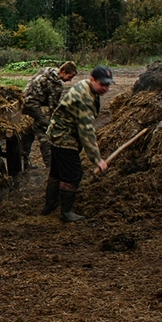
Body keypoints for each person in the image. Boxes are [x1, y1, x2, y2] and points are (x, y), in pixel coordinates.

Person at [43, 65, 114, 222]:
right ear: (92, 79)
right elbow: (86, 132)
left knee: (57, 171)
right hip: (64, 136)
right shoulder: (85, 99)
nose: (105, 88)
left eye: (108, 85)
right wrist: (97, 159)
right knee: (73, 174)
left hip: (57, 132)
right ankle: (66, 213)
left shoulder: (87, 87)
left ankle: (50, 205)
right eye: (102, 84)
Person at [21, 61, 77, 169]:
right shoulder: (56, 85)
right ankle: (51, 166)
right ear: (63, 72)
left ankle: (24, 164)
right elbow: (54, 108)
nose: (70, 80)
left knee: (27, 134)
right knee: (45, 134)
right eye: (70, 76)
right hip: (33, 106)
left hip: (24, 104)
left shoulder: (46, 71)